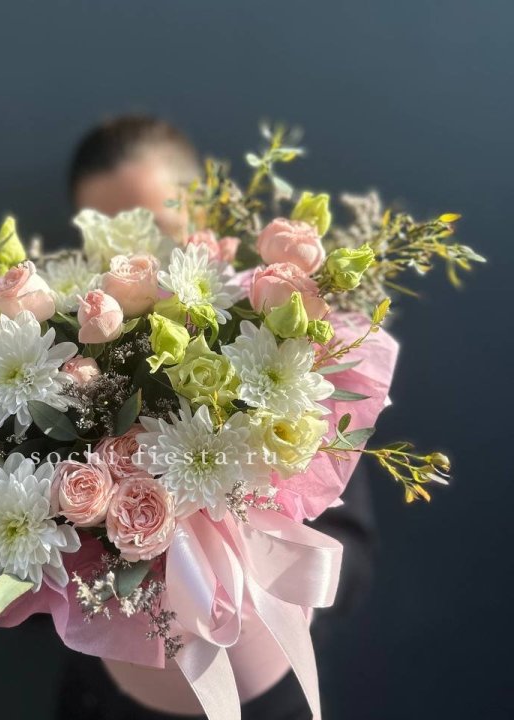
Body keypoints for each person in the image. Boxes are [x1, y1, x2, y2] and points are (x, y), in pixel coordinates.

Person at [56, 114, 377, 720]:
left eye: (154, 232)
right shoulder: (67, 363)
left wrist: (256, 572)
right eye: (110, 241)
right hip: (106, 701)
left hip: (267, 696)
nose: (136, 261)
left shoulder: (286, 344)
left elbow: (352, 554)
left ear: (201, 214)